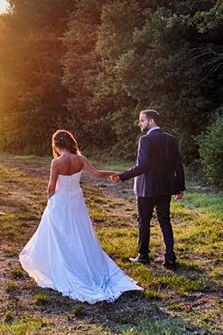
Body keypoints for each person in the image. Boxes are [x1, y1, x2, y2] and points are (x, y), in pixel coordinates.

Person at [19, 130, 142, 303]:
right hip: (76, 200)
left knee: (60, 235)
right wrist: (115, 172)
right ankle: (84, 262)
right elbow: (98, 173)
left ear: (56, 144)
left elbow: (51, 186)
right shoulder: (80, 159)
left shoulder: (56, 162)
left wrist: (49, 201)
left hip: (60, 201)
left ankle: (64, 265)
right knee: (80, 233)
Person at [111, 110, 185, 270]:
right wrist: (180, 187)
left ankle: (143, 256)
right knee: (165, 221)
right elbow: (178, 165)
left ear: (151, 121)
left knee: (144, 221)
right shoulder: (171, 139)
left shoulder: (145, 140)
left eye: (142, 120)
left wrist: (122, 176)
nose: (140, 124)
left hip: (146, 188)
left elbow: (142, 166)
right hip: (165, 188)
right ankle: (170, 259)